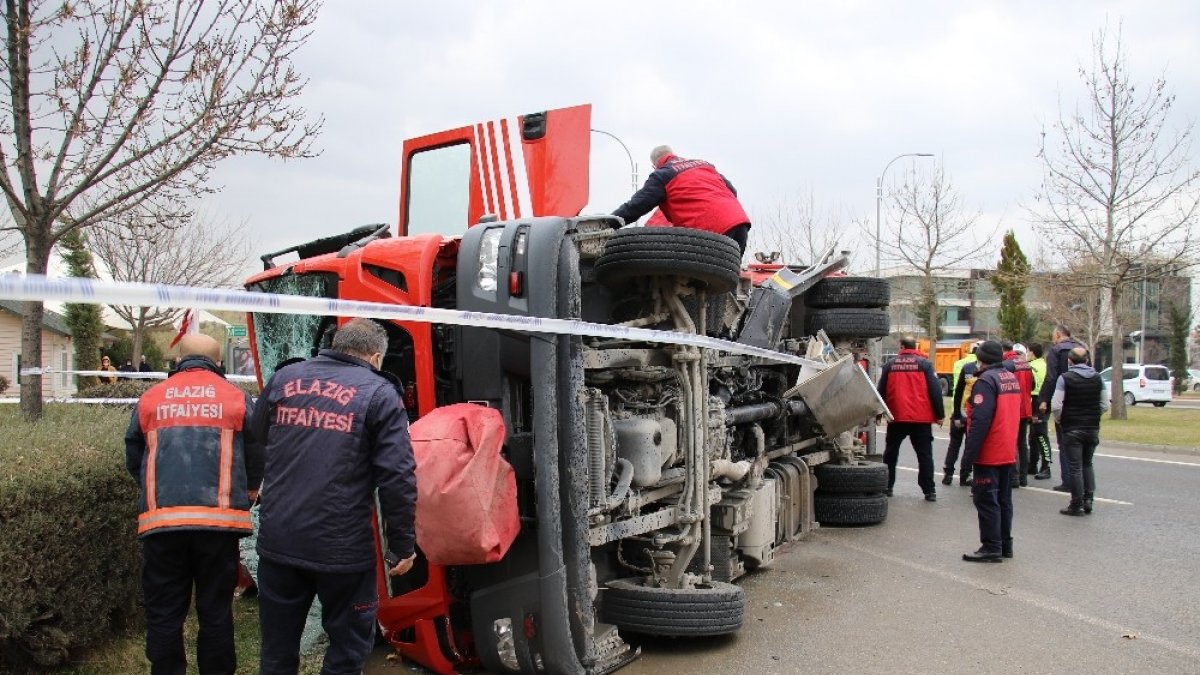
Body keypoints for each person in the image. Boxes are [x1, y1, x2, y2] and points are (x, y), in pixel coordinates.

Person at [251, 318, 417, 674]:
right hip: (341, 551)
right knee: (347, 652)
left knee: (277, 650)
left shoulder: (285, 378)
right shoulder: (380, 394)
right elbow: (397, 476)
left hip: (280, 541)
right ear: (376, 357)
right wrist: (403, 545)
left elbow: (259, 433)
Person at [124, 334, 263, 674]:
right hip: (219, 525)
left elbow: (134, 454)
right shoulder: (236, 398)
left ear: (177, 360)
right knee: (215, 610)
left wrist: (156, 488)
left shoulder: (151, 398)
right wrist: (250, 489)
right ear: (219, 363)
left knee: (164, 611)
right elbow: (257, 450)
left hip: (162, 524)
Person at [611, 145, 752, 255]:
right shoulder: (704, 164)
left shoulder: (662, 175)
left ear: (654, 166)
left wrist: (607, 224)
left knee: (697, 279)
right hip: (739, 224)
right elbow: (732, 190)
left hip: (710, 232)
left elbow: (636, 206)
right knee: (727, 278)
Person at [961, 340, 1023, 563]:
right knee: (1004, 499)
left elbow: (980, 421)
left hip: (990, 451)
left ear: (981, 358)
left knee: (986, 500)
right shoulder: (1010, 377)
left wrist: (968, 457)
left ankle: (991, 546)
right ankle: (1005, 544)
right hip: (1007, 448)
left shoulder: (985, 381)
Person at [877, 335, 945, 501]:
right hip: (921, 419)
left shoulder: (890, 365)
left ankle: (887, 487)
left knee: (891, 454)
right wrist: (940, 415)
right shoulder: (925, 364)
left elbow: (881, 391)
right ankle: (929, 491)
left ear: (901, 347)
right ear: (915, 347)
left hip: (897, 417)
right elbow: (935, 390)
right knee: (925, 455)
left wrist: (878, 413)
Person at [1051, 347, 1109, 516]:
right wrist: (1093, 415)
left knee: (1075, 467)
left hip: (1072, 428)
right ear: (1087, 360)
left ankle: (1076, 504)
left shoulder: (1064, 378)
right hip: (1092, 427)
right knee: (1087, 463)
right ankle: (1088, 499)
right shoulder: (1098, 378)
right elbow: (1105, 405)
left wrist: (1061, 419)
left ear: (1069, 361)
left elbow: (1056, 405)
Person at [1037, 325, 1082, 490]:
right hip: (1081, 400)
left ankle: (1068, 480)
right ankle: (1080, 478)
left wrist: (1044, 400)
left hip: (1063, 399)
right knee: (1080, 443)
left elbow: (1051, 378)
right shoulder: (1081, 349)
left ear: (1058, 334)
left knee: (1064, 441)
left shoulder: (1056, 351)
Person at [943, 342, 981, 486]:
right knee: (968, 446)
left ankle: (949, 474)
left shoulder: (961, 364)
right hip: (970, 413)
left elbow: (957, 391)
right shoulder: (982, 369)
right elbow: (960, 391)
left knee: (954, 445)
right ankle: (964, 475)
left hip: (959, 410)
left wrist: (957, 414)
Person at [1004, 342, 1035, 488]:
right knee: (1022, 443)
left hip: (1014, 408)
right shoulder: (1026, 365)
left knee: (1013, 442)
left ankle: (1014, 477)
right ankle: (1023, 477)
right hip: (1026, 408)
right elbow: (1032, 385)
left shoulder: (1007, 365)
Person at [1026, 342, 1052, 479]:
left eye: (1027, 351)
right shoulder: (1045, 364)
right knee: (1034, 435)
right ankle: (1032, 465)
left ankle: (1046, 467)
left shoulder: (1031, 367)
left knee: (1040, 435)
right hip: (1043, 400)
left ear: (1032, 352)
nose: (1026, 354)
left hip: (1036, 400)